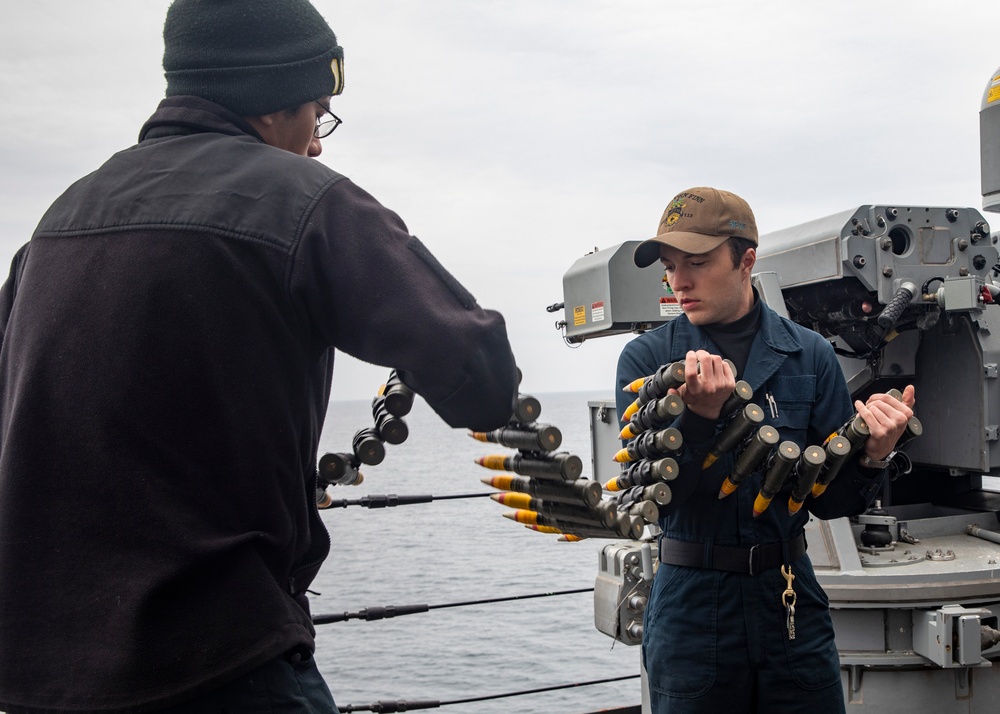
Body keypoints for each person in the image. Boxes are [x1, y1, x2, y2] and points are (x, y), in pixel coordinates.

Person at [0, 1, 518, 712]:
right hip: (219, 660)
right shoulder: (303, 201)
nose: (317, 143)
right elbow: (480, 375)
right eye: (318, 111)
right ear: (277, 100)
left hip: (39, 674)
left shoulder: (57, 221)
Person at [615, 187, 915, 714]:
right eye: (669, 265)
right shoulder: (647, 358)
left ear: (746, 260)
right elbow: (659, 502)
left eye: (698, 263)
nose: (678, 281)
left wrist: (874, 454)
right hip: (692, 603)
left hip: (788, 596)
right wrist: (702, 421)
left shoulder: (810, 354)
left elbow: (825, 500)